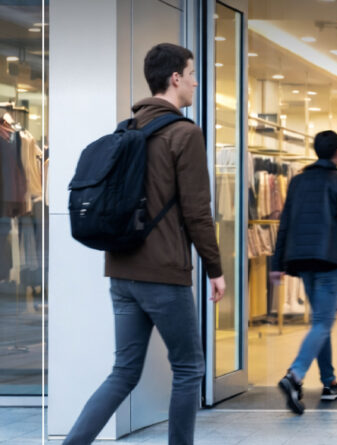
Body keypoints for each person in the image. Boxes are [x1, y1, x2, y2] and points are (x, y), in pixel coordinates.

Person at [65, 43, 226, 445]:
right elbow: (197, 212)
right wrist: (215, 270)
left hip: (120, 271)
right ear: (175, 79)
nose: (194, 81)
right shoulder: (184, 133)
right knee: (189, 369)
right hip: (163, 273)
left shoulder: (127, 130)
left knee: (123, 372)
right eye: (191, 74)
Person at [270, 130, 337, 415]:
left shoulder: (298, 181)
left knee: (320, 321)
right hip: (328, 260)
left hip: (301, 262)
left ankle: (329, 382)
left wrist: (276, 263)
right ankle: (294, 376)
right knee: (323, 323)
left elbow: (285, 223)